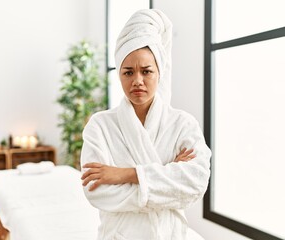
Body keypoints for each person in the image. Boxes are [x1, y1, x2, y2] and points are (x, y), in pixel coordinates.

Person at [80, 9, 211, 240]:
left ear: (159, 73)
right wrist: (169, 176)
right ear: (119, 75)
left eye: (146, 71)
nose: (137, 81)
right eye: (128, 72)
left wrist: (125, 175)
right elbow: (97, 193)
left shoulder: (183, 124)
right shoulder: (99, 126)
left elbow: (195, 183)